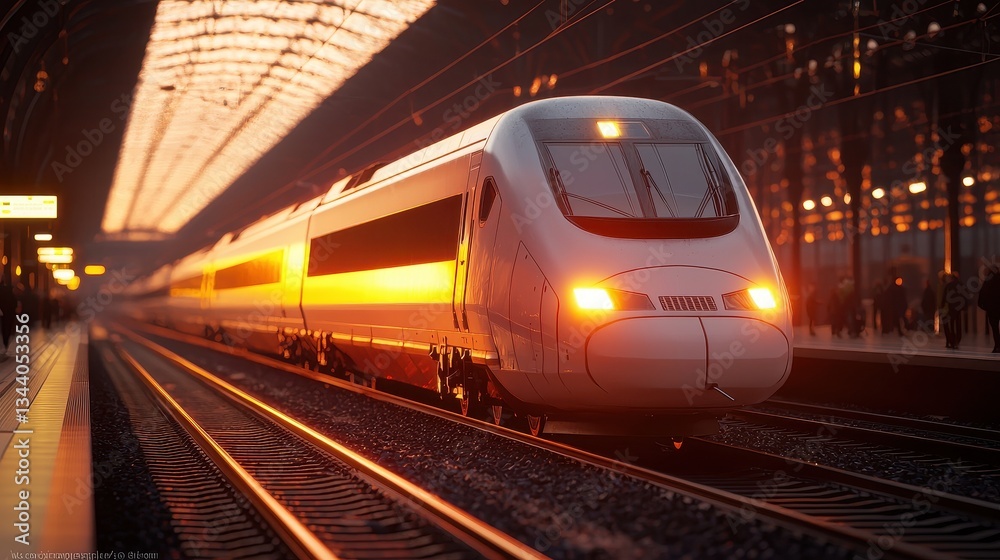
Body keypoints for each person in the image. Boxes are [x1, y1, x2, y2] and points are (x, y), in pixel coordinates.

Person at [978, 262, 1000, 353]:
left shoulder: (988, 281)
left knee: (995, 328)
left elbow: (982, 294)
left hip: (992, 309)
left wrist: (984, 306)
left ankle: (997, 346)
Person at [941, 272, 963, 349]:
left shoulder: (948, 286)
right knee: (958, 324)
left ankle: (952, 341)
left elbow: (944, 297)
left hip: (951, 308)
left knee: (952, 325)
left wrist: (942, 306)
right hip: (958, 308)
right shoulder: (961, 285)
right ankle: (957, 340)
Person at [0, 278, 17, 355]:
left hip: (3, 313)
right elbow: (15, 304)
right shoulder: (11, 294)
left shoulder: (2, 294)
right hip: (10, 314)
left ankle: (4, 342)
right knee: (8, 328)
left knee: (3, 328)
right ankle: (6, 343)